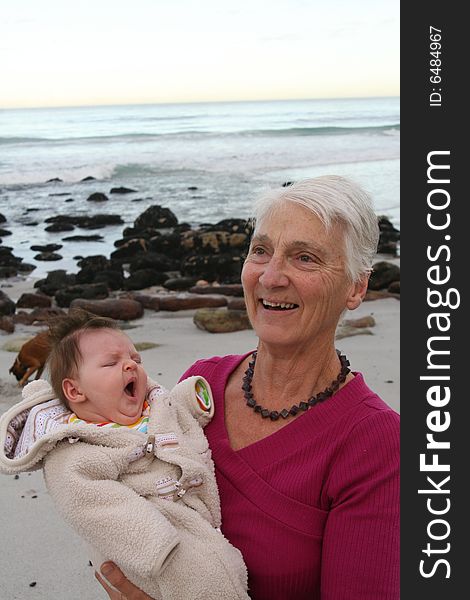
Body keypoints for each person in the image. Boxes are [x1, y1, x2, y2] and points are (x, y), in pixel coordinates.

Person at [96, 175, 400, 600]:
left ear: (356, 287)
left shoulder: (376, 443)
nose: (271, 276)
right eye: (261, 250)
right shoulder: (201, 386)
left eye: (305, 258)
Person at [0, 309, 249, 600]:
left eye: (136, 359)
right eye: (111, 362)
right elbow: (89, 502)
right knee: (207, 581)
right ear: (75, 390)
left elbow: (172, 408)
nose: (130, 365)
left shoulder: (149, 407)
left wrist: (193, 399)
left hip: (193, 520)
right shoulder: (75, 448)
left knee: (228, 570)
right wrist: (153, 542)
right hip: (153, 548)